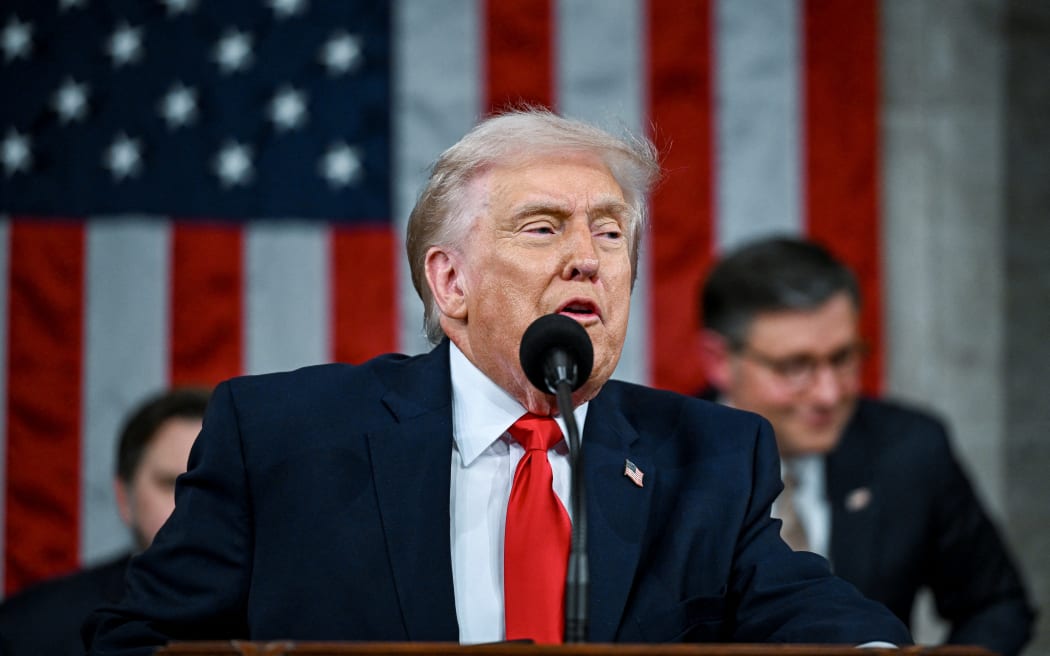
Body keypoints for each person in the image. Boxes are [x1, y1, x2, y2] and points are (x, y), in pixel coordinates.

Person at [84, 109, 911, 653]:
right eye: (542, 227)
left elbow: (805, 612)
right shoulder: (283, 436)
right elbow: (140, 640)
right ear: (450, 284)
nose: (588, 255)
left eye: (611, 231)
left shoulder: (710, 455)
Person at [698, 236, 1036, 656]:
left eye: (842, 358)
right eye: (795, 367)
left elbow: (996, 606)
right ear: (718, 360)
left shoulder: (909, 449)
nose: (827, 394)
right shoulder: (663, 458)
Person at [0, 387, 209, 656]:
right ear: (125, 497)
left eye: (216, 486)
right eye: (172, 483)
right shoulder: (30, 630)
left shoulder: (278, 620)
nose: (194, 505)